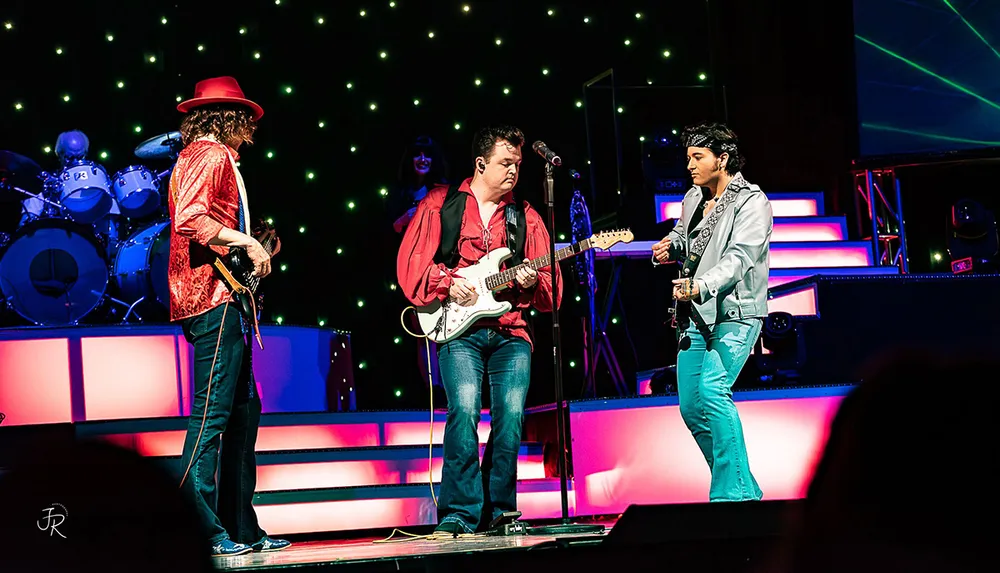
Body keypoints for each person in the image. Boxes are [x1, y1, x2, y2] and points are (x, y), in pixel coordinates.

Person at [397, 125, 561, 534]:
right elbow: (411, 269)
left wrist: (530, 282)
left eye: (518, 164)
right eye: (506, 163)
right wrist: (448, 282)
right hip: (457, 329)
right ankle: (459, 511)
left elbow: (551, 293)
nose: (513, 172)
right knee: (465, 411)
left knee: (510, 417)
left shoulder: (525, 216)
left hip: (512, 332)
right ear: (480, 163)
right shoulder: (441, 204)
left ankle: (500, 509)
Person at [168, 76, 289, 556]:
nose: (252, 129)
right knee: (213, 414)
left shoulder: (214, 157)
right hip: (211, 299)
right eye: (247, 119)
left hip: (226, 296)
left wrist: (253, 237)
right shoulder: (209, 154)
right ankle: (197, 527)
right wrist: (248, 241)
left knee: (242, 413)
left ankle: (240, 525)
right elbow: (190, 220)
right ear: (231, 118)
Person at [651, 121, 772, 502]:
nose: (690, 164)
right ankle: (744, 487)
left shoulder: (752, 202)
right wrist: (671, 244)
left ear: (723, 158)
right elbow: (686, 234)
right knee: (691, 407)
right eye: (688, 157)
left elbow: (740, 258)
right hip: (695, 317)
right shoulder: (693, 197)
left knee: (713, 390)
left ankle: (729, 495)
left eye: (698, 157)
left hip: (736, 313)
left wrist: (701, 285)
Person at [387, 136, 449, 391]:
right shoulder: (399, 193)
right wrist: (408, 215)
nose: (423, 159)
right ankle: (430, 390)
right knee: (421, 330)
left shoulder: (443, 191)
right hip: (412, 267)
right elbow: (391, 227)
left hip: (440, 265)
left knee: (446, 328)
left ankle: (447, 388)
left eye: (428, 154)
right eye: (417, 154)